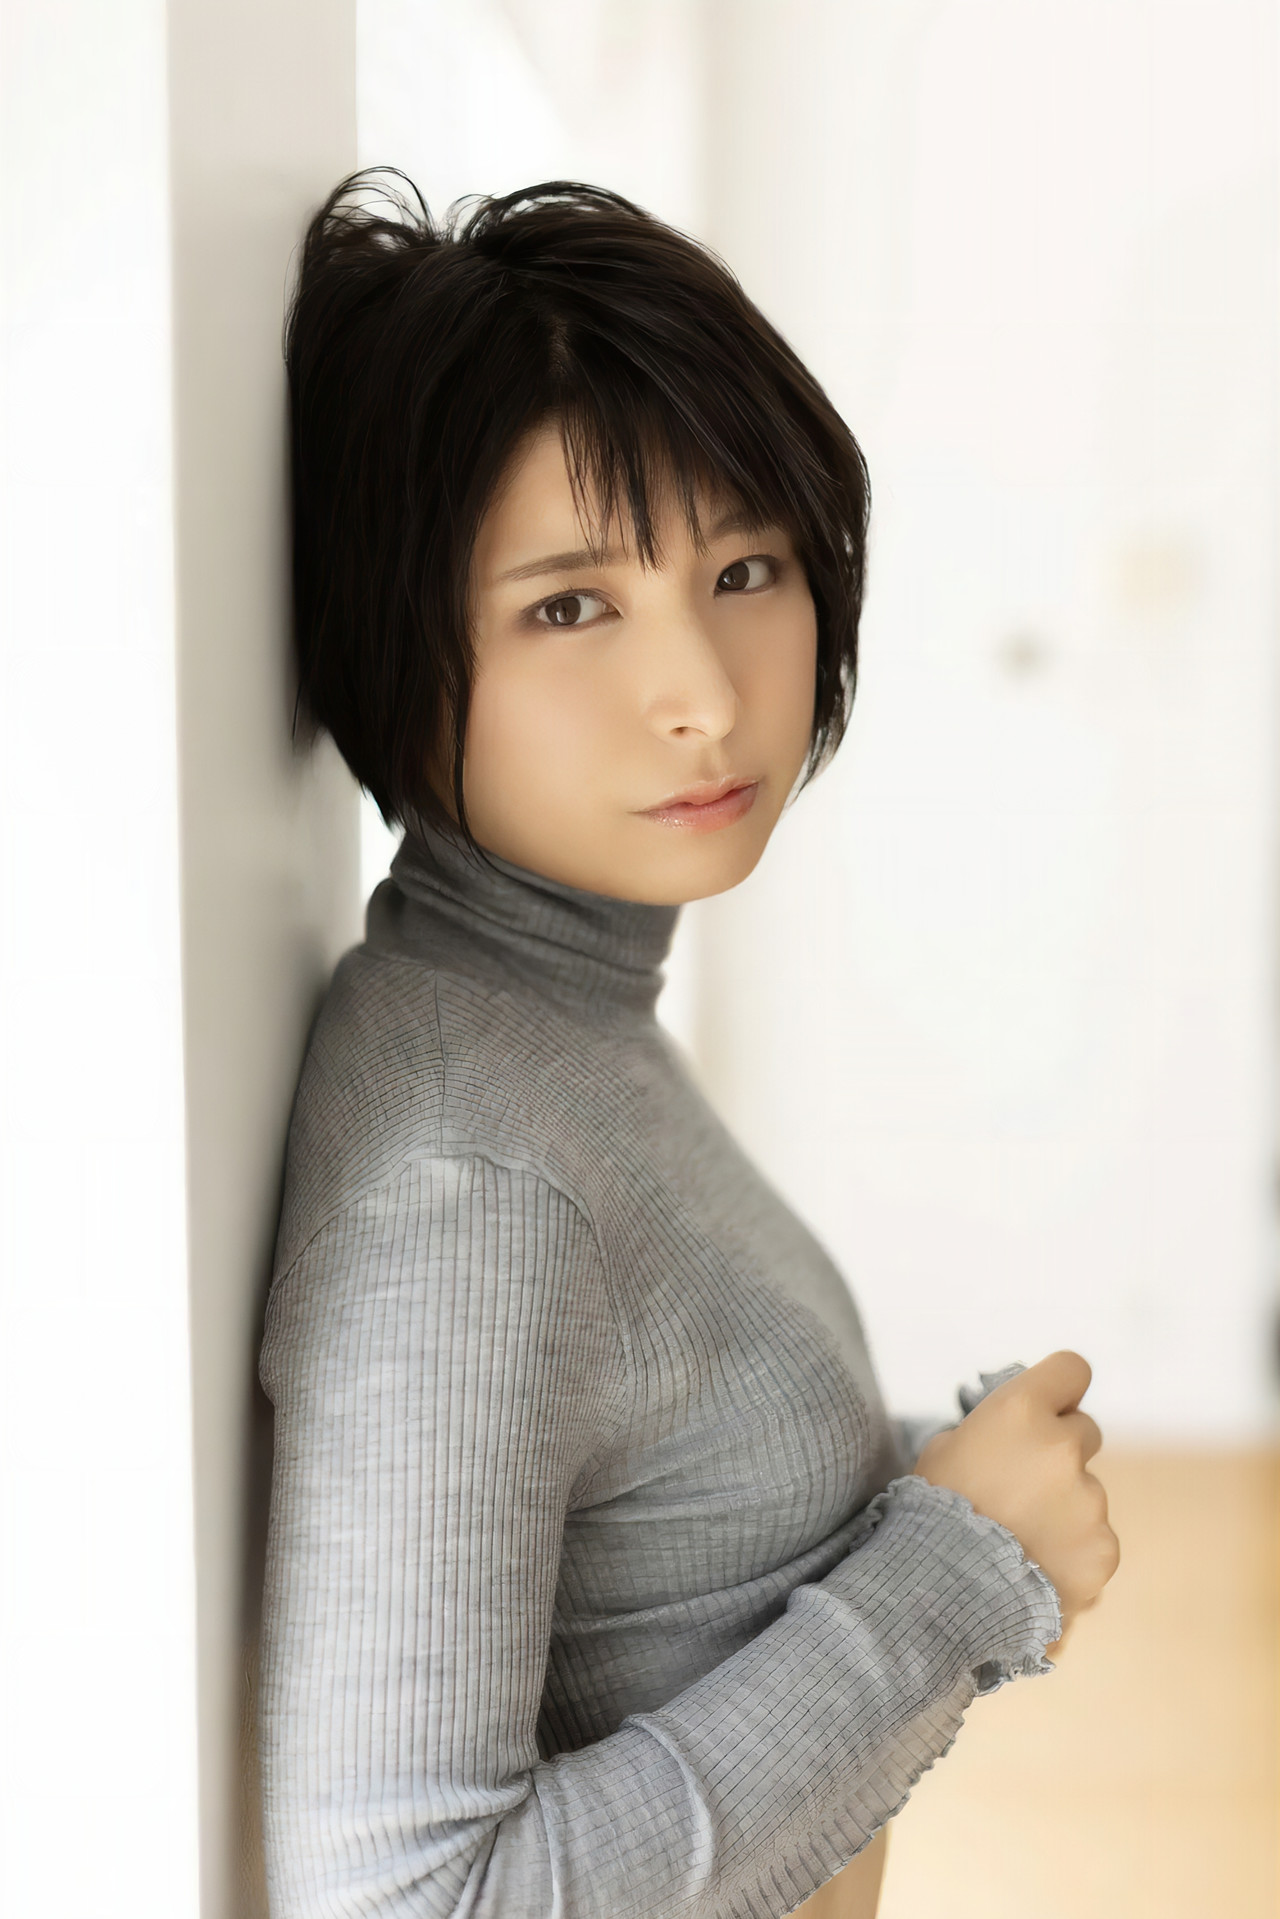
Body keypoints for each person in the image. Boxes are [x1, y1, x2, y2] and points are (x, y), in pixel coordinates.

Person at [258, 167, 1120, 1919]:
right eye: (569, 605)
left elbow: (641, 1503)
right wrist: (959, 1568)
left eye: (744, 569)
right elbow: (405, 1898)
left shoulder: (555, 1014)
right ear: (394, 634)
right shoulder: (466, 1175)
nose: (709, 698)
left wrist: (918, 1483)